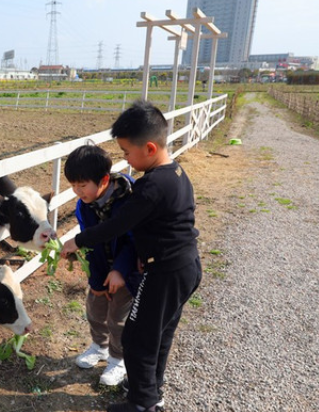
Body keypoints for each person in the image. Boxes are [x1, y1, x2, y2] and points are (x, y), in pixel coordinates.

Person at [61, 100, 202, 412]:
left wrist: (77, 240)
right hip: (184, 265)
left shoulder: (151, 186)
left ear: (149, 148)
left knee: (138, 337)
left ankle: (142, 403)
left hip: (165, 272)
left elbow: (117, 226)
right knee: (159, 333)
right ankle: (151, 391)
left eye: (126, 152)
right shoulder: (175, 172)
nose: (124, 158)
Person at [63, 144, 143, 387]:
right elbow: (92, 241)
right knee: (95, 309)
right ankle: (99, 346)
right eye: (73, 185)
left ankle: (119, 359)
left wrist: (120, 270)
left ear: (104, 180)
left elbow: (133, 241)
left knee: (118, 318)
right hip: (100, 266)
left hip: (126, 274)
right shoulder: (84, 206)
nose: (77, 191)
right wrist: (96, 280)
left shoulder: (129, 201)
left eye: (82, 185)